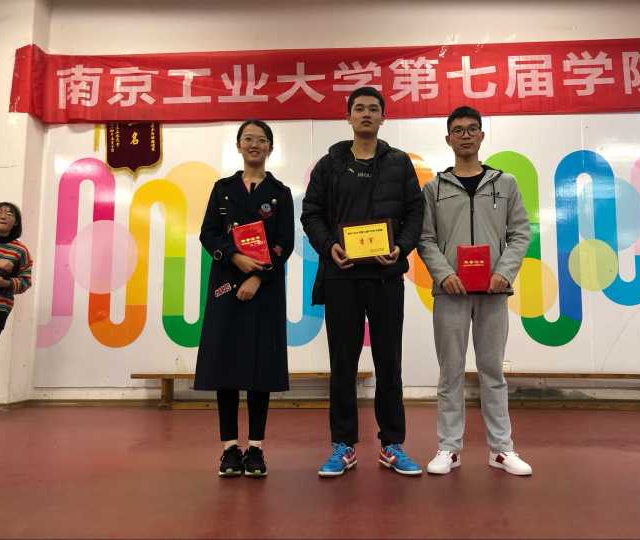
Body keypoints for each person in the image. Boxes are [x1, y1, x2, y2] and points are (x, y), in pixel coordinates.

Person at [301, 87, 424, 477]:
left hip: (386, 276)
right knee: (342, 364)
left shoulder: (399, 163)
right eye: (359, 109)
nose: (366, 114)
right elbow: (311, 213)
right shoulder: (330, 164)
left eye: (373, 109)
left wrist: (401, 248)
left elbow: (415, 212)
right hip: (342, 276)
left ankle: (392, 445)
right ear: (348, 117)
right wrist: (329, 247)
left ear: (383, 118)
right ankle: (343, 446)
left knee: (389, 363)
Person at [418, 106, 532, 476]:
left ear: (481, 135)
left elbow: (520, 232)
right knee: (450, 373)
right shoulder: (434, 189)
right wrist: (444, 274)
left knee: (492, 371)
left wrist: (504, 272)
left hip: (494, 293)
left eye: (472, 129)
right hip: (450, 293)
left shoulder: (506, 184)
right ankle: (449, 448)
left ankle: (501, 449)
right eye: (458, 130)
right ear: (448, 138)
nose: (465, 135)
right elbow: (425, 238)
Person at [195, 120, 294, 478]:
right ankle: (228, 449)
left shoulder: (280, 193)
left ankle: (255, 448)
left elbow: (284, 242)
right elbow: (208, 234)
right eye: (248, 139)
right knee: (225, 367)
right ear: (238, 146)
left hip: (265, 289)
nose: (255, 145)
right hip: (225, 285)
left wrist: (257, 277)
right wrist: (234, 258)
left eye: (262, 140)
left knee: (259, 368)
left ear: (270, 148)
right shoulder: (222, 189)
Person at [0, 202, 32, 343]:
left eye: (9, 214)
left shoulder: (20, 250)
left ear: (16, 222)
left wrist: (5, 283)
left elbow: (26, 282)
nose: (3, 216)